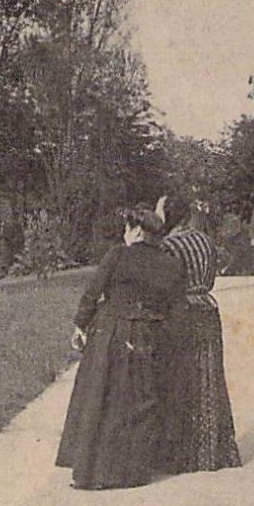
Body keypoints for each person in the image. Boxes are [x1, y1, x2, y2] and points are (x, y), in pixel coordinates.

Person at [56, 206, 188, 490]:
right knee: (139, 400)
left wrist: (80, 325)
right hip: (148, 335)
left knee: (100, 397)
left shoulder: (118, 255)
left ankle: (92, 472)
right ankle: (130, 472)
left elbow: (93, 292)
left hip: (110, 332)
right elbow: (177, 310)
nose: (125, 234)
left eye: (127, 228)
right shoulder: (172, 264)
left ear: (137, 231)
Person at [156, 192, 242, 474]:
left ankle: (182, 455)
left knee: (180, 379)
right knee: (210, 377)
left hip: (181, 312)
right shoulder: (206, 240)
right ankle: (214, 453)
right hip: (208, 307)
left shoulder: (168, 246)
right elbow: (212, 278)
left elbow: (165, 285)